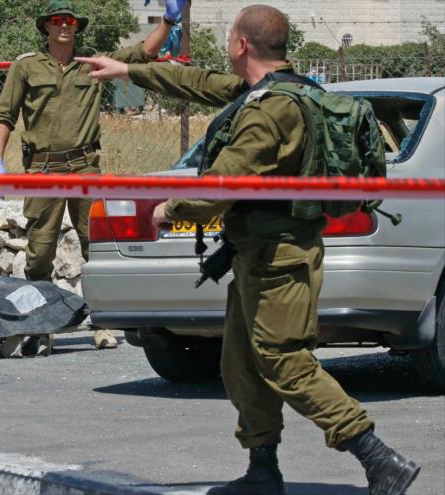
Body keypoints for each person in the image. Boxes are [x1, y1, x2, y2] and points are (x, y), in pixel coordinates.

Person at [77, 5, 419, 495]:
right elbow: (202, 84)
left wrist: (170, 209)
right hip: (259, 254)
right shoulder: (286, 91)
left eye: (231, 39)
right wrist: (128, 69)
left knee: (285, 361)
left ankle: (377, 456)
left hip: (279, 257)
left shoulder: (270, 110)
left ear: (241, 45)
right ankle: (263, 470)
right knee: (240, 362)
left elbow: (222, 184)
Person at [0, 0, 187, 351]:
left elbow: (142, 53)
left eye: (70, 21)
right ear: (47, 27)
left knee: (95, 248)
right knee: (38, 255)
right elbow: (4, 115)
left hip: (84, 166)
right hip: (43, 169)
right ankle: (40, 326)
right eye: (58, 20)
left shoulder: (93, 64)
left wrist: (170, 20)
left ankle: (102, 322)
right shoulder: (26, 67)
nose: (65, 26)